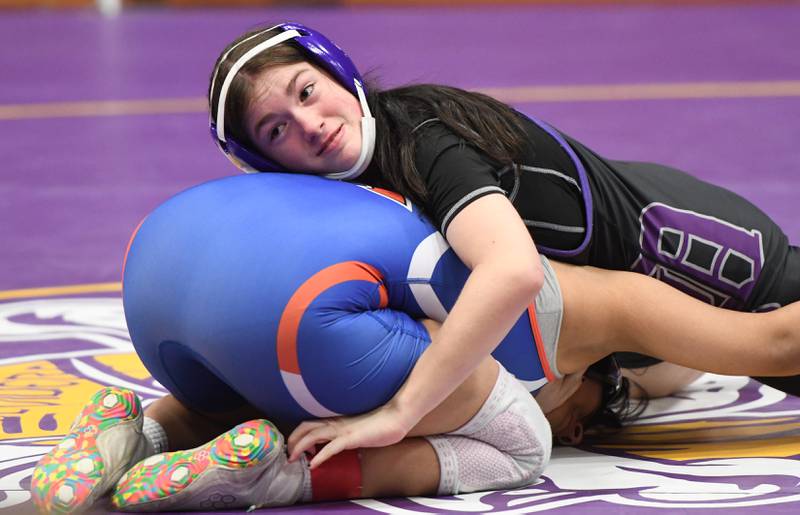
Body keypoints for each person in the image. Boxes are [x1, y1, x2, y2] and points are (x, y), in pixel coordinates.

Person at [205, 21, 800, 464]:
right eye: (277, 128)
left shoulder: (420, 140)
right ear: (262, 160)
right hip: (631, 307)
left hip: (711, 259)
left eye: (306, 92)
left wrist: (399, 414)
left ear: (340, 73)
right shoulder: (351, 180)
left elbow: (512, 272)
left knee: (777, 346)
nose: (310, 125)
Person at [30, 173, 800, 513]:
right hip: (312, 314)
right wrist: (400, 411)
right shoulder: (604, 307)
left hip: (166, 264)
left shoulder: (464, 209)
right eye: (587, 419)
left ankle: (135, 428)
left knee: (245, 394)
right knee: (515, 442)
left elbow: (667, 375)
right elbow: (770, 344)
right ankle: (273, 482)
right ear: (587, 390)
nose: (574, 425)